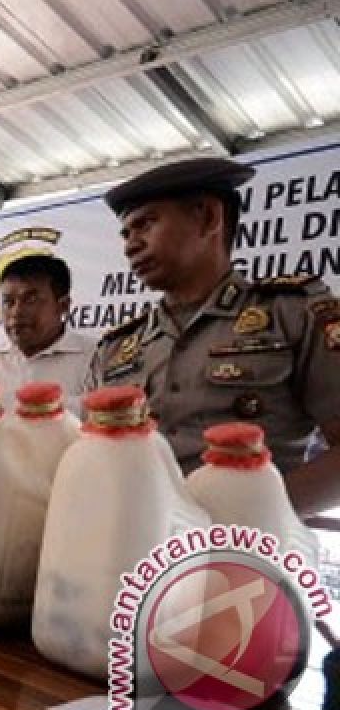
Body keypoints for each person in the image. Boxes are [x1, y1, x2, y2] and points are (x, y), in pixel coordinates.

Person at [88, 158, 340, 514]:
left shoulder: (292, 313)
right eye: (126, 234)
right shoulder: (116, 348)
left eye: (146, 223)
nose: (131, 245)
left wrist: (262, 518)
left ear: (208, 218)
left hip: (244, 557)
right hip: (134, 549)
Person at [0, 255, 95, 412]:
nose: (16, 312)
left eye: (31, 300)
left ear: (63, 305)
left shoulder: (93, 359)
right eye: (8, 302)